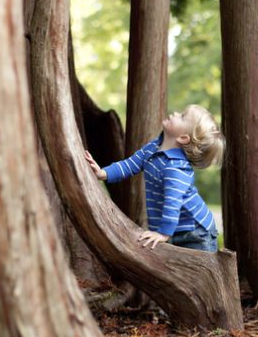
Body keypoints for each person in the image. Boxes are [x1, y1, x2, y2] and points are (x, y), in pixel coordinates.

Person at [84, 104, 225, 252]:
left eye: (182, 116)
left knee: (198, 272)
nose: (176, 113)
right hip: (174, 228)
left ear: (183, 138)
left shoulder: (176, 168)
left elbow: (173, 203)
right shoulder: (153, 147)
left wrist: (163, 233)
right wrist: (103, 173)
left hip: (197, 232)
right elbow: (129, 165)